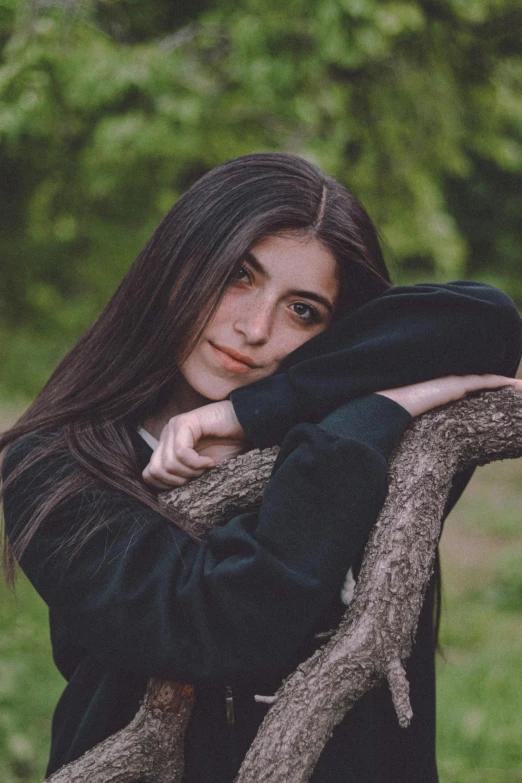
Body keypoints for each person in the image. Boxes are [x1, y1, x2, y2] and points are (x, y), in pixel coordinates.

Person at [1, 152, 521, 783]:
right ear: (177, 266)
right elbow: (217, 621)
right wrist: (372, 413)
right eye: (237, 277)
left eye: (303, 310)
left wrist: (255, 413)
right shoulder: (52, 467)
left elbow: (486, 319)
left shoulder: (379, 434)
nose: (253, 329)